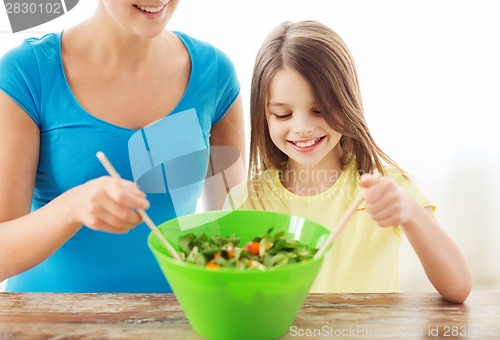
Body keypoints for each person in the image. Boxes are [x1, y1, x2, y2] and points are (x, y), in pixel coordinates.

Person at [0, 0, 245, 292]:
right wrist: (73, 207)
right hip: (48, 326)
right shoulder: (27, 72)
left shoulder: (215, 73)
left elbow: (231, 234)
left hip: (179, 321)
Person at [225, 20, 471, 303]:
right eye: (283, 115)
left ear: (346, 102)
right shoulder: (246, 202)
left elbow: (459, 287)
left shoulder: (387, 188)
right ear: (262, 115)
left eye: (319, 110)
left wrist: (411, 213)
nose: (302, 127)